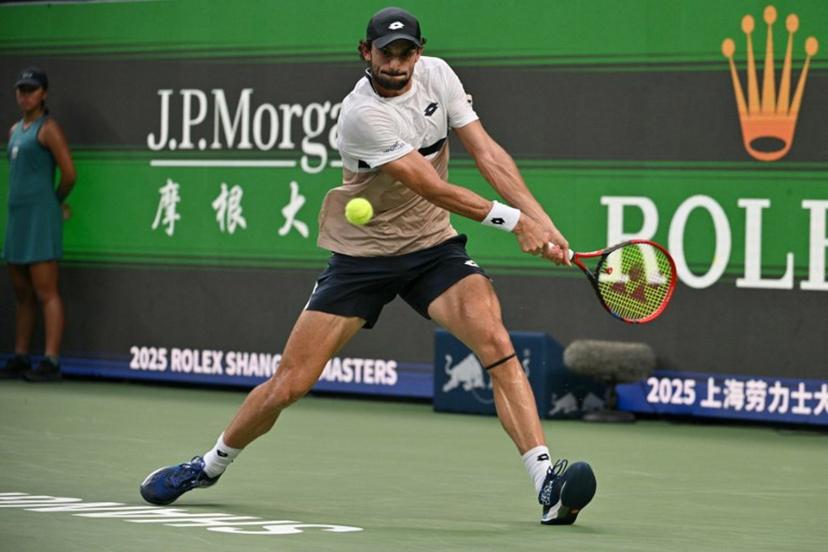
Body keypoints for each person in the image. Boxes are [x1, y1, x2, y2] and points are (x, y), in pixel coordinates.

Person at [140, 7, 596, 525]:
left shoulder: (439, 76)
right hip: (363, 257)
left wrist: (542, 222)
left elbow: (488, 154)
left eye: (406, 53)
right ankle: (209, 465)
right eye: (386, 53)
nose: (396, 63)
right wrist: (516, 223)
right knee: (290, 383)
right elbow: (431, 186)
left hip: (432, 247)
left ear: (419, 53)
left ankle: (546, 483)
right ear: (366, 52)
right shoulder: (360, 115)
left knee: (496, 341)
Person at [1, 67, 75, 382]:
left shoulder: (48, 129)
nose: (25, 95)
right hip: (17, 219)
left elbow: (69, 174)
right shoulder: (14, 130)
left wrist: (53, 202)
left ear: (43, 94)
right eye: (21, 90)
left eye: (31, 90)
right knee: (22, 293)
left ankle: (51, 360)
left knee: (46, 291)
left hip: (40, 220)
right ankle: (21, 356)